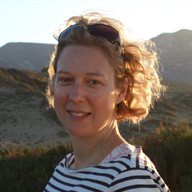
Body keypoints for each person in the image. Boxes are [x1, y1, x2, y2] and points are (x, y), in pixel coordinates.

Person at [44, 12, 170, 192]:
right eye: (66, 79)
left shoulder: (130, 178)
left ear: (121, 90)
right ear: (53, 84)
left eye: (93, 82)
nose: (76, 95)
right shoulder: (65, 168)